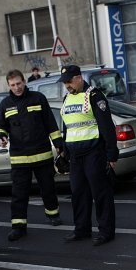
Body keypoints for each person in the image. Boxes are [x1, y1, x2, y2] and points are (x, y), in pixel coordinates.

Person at [0, 69, 64, 241]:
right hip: (19, 158)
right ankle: (18, 227)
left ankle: (53, 215)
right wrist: (1, 137)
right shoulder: (5, 104)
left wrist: (59, 146)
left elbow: (50, 124)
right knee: (19, 194)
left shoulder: (38, 98)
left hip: (42, 154)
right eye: (12, 85)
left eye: (18, 83)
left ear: (24, 81)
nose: (16, 87)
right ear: (8, 85)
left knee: (48, 188)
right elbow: (0, 126)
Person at [58, 65, 118, 246]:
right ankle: (81, 229)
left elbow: (107, 127)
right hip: (75, 156)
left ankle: (106, 232)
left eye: (69, 81)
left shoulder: (94, 96)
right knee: (78, 194)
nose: (67, 85)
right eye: (64, 82)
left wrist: (111, 155)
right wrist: (64, 150)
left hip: (94, 153)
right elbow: (67, 127)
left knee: (101, 194)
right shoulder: (67, 98)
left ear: (79, 78)